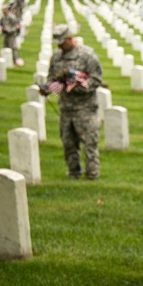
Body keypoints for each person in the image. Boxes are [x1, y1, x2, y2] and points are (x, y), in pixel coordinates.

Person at [42, 25, 104, 180]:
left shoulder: (87, 55)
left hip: (85, 108)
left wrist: (75, 86)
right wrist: (48, 88)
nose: (60, 46)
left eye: (62, 42)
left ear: (70, 38)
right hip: (66, 108)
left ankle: (92, 174)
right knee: (68, 144)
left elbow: (96, 79)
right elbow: (52, 77)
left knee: (90, 143)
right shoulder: (56, 56)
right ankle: (73, 173)